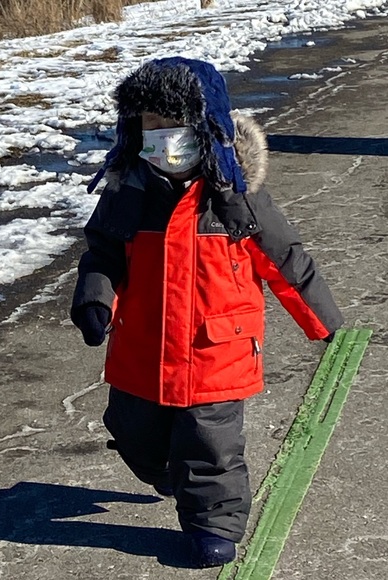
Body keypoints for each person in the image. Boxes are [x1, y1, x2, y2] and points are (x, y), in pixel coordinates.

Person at [70, 57, 343, 568]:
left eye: (175, 123)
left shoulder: (235, 199)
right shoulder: (128, 193)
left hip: (217, 351)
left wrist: (328, 326)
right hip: (141, 348)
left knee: (210, 447)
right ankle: (164, 472)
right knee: (135, 434)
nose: (163, 136)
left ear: (205, 125)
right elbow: (103, 254)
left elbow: (287, 262)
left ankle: (212, 526)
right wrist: (94, 299)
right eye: (151, 123)